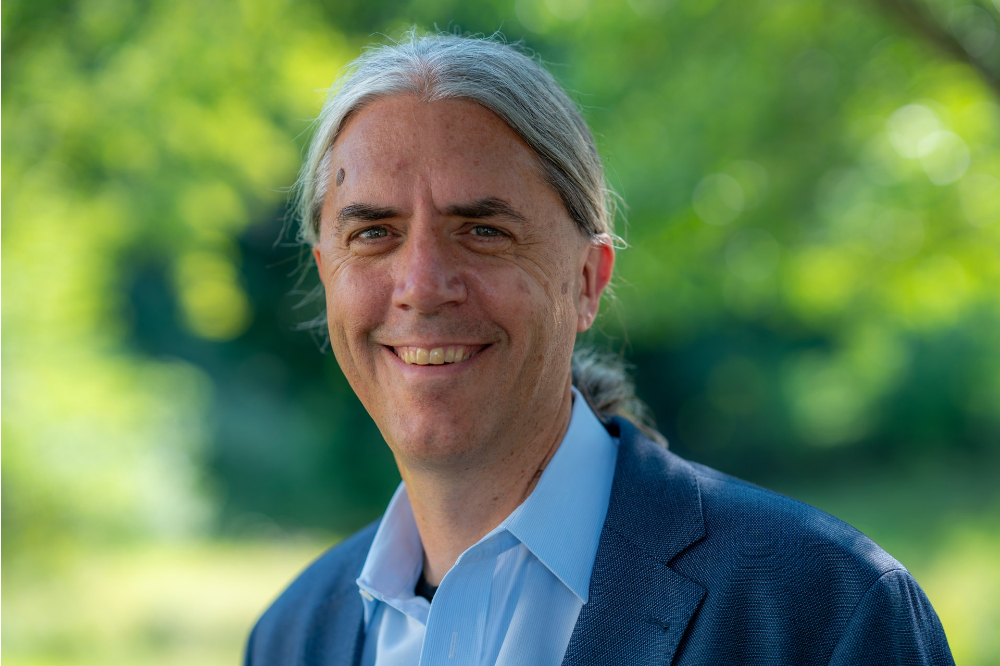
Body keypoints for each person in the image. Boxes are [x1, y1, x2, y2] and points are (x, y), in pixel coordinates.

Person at [245, 33, 953, 666]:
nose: (422, 286)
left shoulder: (823, 612)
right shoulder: (290, 637)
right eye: (373, 233)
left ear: (588, 280)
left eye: (483, 231)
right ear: (325, 276)